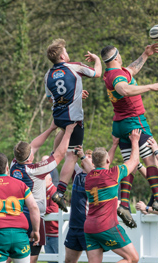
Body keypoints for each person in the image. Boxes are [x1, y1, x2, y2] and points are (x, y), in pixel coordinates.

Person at [99, 43, 158, 227]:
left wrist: (145, 54)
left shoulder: (115, 72)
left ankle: (124, 204)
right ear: (117, 56)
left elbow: (131, 70)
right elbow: (124, 89)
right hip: (134, 121)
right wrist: (151, 86)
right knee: (151, 160)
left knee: (130, 165)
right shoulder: (116, 76)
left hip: (120, 125)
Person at [74, 129, 142, 263]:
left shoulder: (89, 177)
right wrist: (135, 141)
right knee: (133, 258)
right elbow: (134, 161)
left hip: (89, 226)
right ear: (107, 161)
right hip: (107, 225)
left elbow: (91, 166)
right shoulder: (113, 174)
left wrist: (83, 156)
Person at [11, 121, 76, 263]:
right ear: (30, 157)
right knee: (30, 262)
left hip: (15, 217)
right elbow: (60, 154)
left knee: (9, 258)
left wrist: (51, 128)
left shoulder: (14, 166)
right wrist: (68, 131)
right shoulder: (36, 170)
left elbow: (33, 146)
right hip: (33, 219)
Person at [44, 38, 102, 211]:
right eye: (66, 51)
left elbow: (51, 98)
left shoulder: (48, 74)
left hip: (59, 116)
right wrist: (97, 59)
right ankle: (60, 192)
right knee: (73, 155)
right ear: (63, 55)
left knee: (62, 148)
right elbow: (97, 73)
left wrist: (75, 95)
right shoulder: (73, 66)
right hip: (73, 118)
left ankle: (52, 159)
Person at [58, 147, 110, 263]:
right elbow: (68, 158)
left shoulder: (96, 176)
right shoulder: (77, 174)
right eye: (85, 156)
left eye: (89, 157)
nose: (85, 159)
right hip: (74, 225)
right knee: (69, 261)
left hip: (89, 225)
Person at [44, 172, 59, 263]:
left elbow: (54, 209)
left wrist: (40, 209)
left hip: (55, 232)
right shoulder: (44, 192)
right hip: (47, 232)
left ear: (50, 179)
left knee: (58, 260)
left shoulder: (54, 192)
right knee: (52, 261)